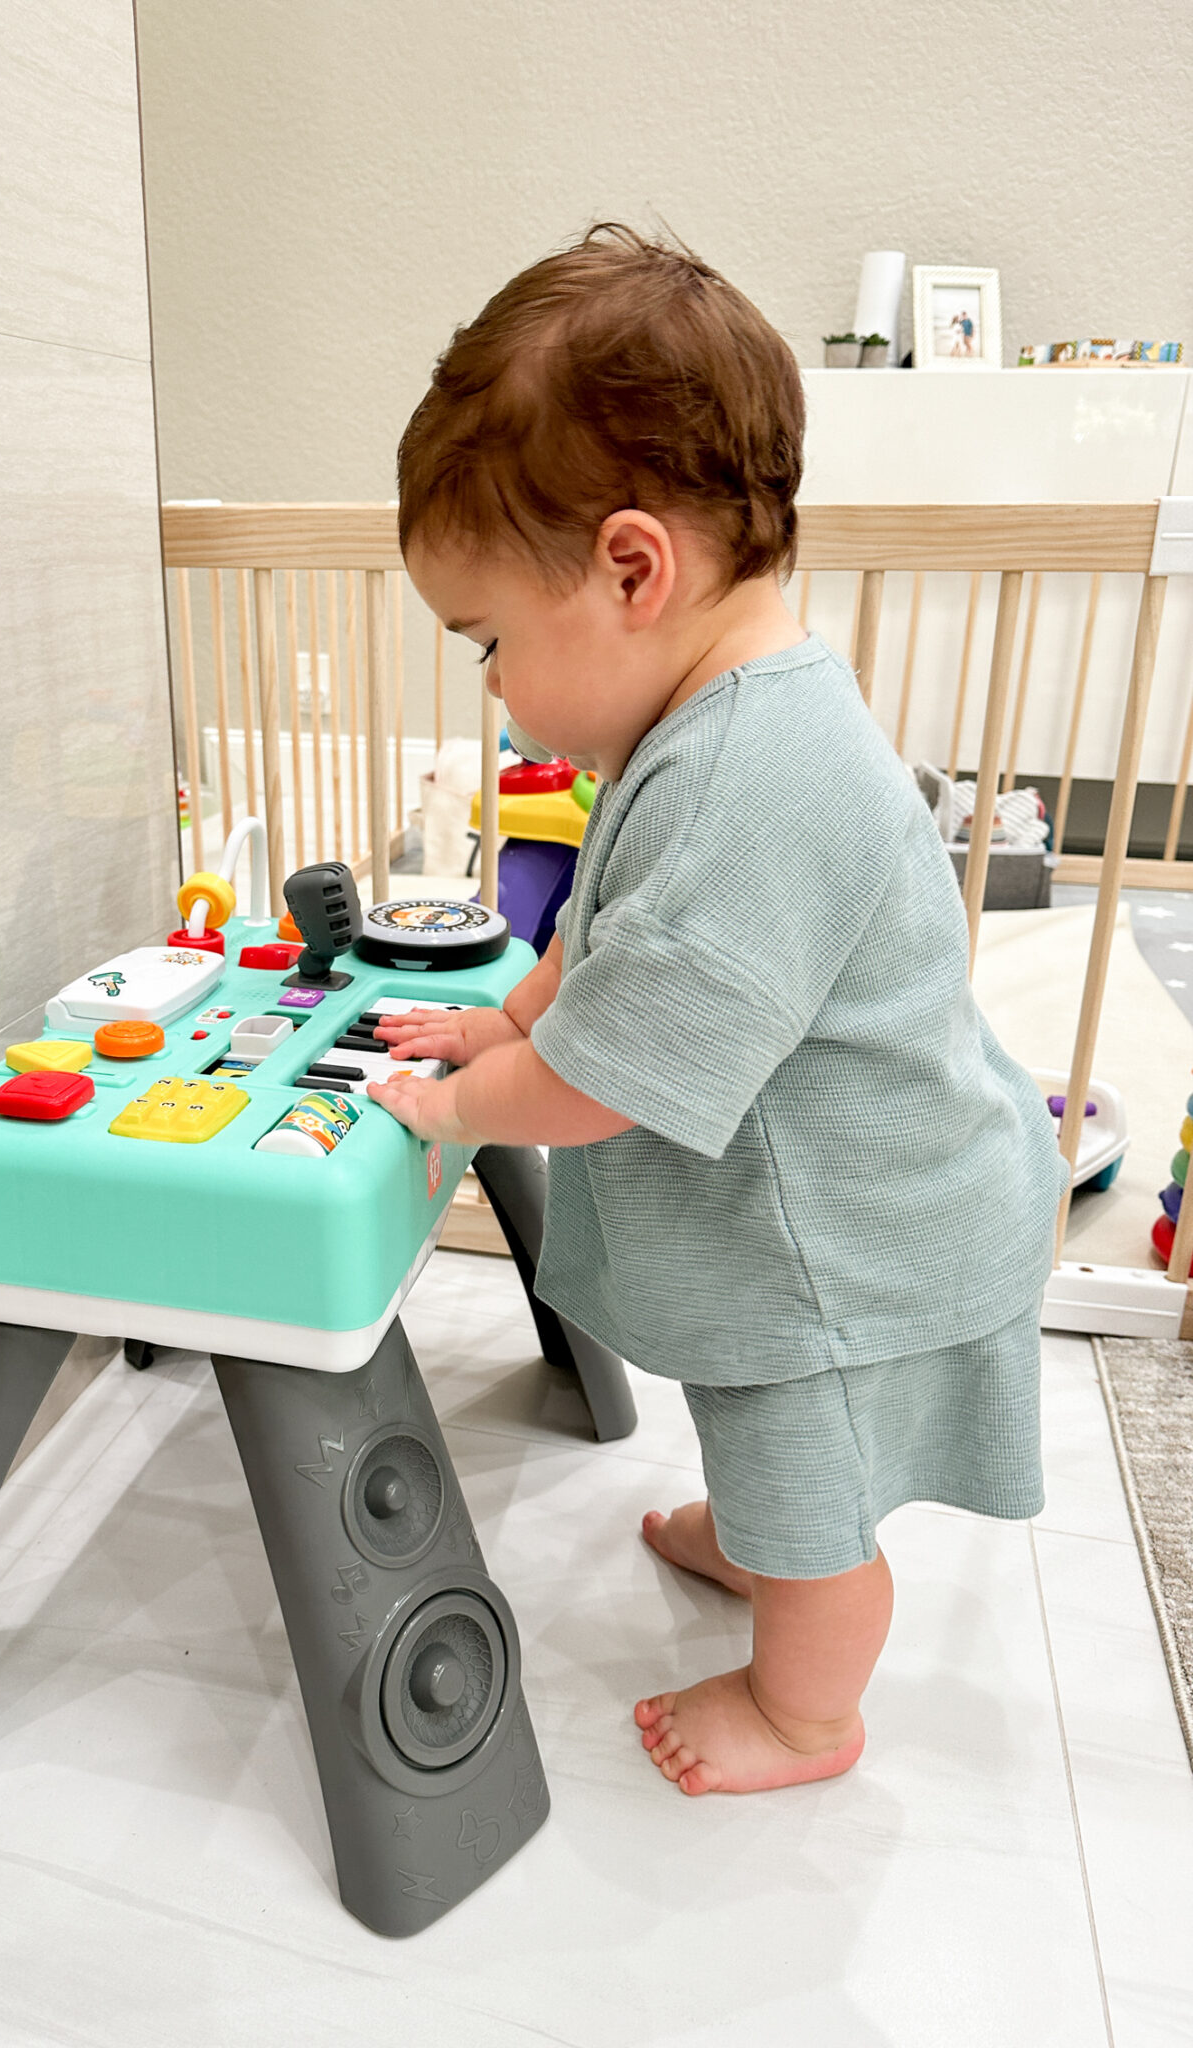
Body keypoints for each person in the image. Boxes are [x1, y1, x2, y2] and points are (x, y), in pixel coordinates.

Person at [366, 225, 1065, 1796]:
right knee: (761, 1435)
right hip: (819, 1220)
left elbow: (608, 1076)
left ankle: (806, 1707)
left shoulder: (753, 778)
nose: (492, 687)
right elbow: (608, 941)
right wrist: (503, 1021)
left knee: (816, 1492)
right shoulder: (698, 729)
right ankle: (762, 1535)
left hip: (854, 1249)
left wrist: (458, 1107)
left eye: (490, 642)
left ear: (633, 570)